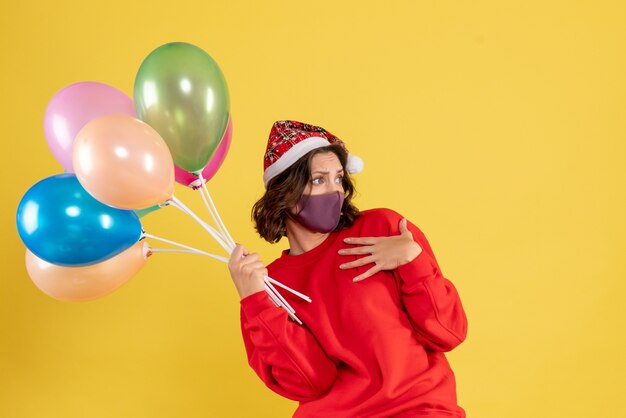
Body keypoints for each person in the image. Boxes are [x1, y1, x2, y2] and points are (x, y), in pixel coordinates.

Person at [228, 120, 468, 418]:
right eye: (319, 180)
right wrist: (256, 302)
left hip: (418, 409)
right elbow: (309, 383)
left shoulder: (384, 229)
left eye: (339, 178)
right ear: (285, 193)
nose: (335, 191)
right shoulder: (271, 283)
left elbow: (448, 332)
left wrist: (413, 260)